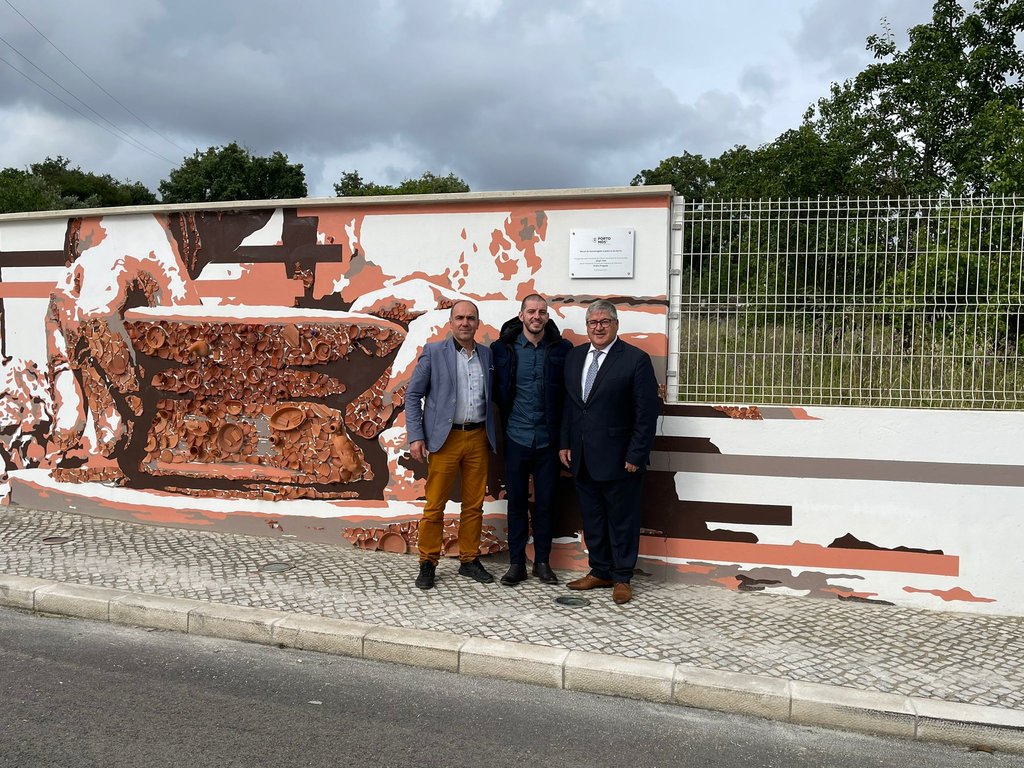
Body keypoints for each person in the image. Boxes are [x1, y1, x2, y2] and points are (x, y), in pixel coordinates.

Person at [559, 300, 659, 605]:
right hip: (583, 457)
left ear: (616, 325)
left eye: (605, 322)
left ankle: (622, 577)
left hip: (621, 459)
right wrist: (565, 442)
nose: (598, 328)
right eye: (593, 323)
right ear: (587, 327)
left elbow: (646, 412)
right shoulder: (575, 357)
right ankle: (600, 570)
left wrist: (636, 454)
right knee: (593, 518)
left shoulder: (635, 359)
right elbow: (571, 405)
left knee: (622, 520)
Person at [405, 300, 498, 590]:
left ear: (477, 323)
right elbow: (412, 396)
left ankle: (469, 559)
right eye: (459, 318)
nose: (465, 323)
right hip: (445, 439)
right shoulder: (434, 352)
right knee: (434, 505)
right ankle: (428, 562)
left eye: (471, 318)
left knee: (474, 504)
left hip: (478, 437)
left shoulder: (486, 355)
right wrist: (416, 436)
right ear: (450, 322)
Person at [491, 294, 572, 586]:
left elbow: (568, 399)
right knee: (515, 504)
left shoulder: (562, 349)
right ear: (521, 315)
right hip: (515, 437)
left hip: (548, 441)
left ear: (547, 317)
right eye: (531, 311)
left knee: (547, 503)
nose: (536, 316)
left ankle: (542, 563)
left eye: (541, 312)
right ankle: (516, 564)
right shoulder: (502, 349)